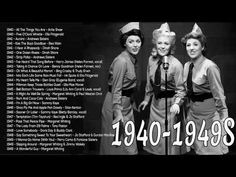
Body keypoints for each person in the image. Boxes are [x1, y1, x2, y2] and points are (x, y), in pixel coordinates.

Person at [181, 23, 229, 155]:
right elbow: (185, 90)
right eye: (188, 45)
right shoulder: (186, 66)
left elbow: (219, 94)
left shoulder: (210, 67)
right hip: (193, 115)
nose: (191, 48)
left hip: (209, 116)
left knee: (211, 151)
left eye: (195, 44)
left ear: (202, 47)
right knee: (199, 150)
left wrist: (224, 117)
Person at [139, 23, 186, 155]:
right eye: (160, 43)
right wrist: (146, 99)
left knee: (168, 141)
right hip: (155, 105)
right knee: (156, 139)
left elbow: (181, 90)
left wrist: (177, 103)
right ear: (155, 44)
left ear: (171, 46)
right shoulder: (151, 60)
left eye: (166, 43)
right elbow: (149, 83)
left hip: (170, 106)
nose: (162, 46)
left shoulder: (176, 65)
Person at [99, 22, 144, 155]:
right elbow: (117, 89)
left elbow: (128, 86)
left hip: (126, 106)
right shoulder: (122, 61)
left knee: (129, 147)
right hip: (115, 106)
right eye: (131, 41)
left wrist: (132, 102)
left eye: (138, 41)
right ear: (125, 43)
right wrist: (118, 113)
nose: (135, 45)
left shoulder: (132, 59)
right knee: (115, 147)